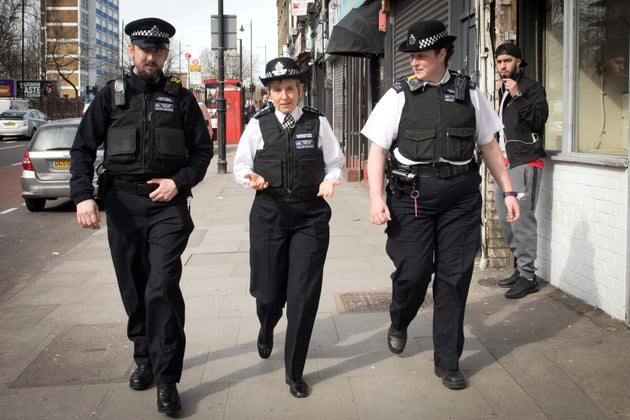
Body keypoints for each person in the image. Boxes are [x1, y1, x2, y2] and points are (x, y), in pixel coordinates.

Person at [361, 20, 520, 390]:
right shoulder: (399, 95)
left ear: (442, 54)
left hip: (461, 198)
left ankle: (448, 360)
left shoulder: (470, 94)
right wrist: (374, 198)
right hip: (411, 198)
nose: (414, 62)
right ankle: (400, 318)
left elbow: (490, 146)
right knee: (413, 273)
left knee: (454, 279)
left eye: (422, 56)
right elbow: (377, 150)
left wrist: (509, 191)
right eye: (412, 56)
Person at [70, 18, 213, 414]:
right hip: (123, 208)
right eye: (144, 49)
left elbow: (203, 152)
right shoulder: (109, 97)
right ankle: (144, 358)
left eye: (158, 50)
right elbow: (82, 149)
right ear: (131, 51)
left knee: (162, 285)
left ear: (166, 53)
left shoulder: (180, 98)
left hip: (167, 206)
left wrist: (178, 183)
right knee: (133, 287)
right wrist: (83, 197)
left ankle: (167, 379)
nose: (151, 57)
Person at [233, 57, 344, 398]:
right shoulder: (258, 125)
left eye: (290, 89)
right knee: (268, 293)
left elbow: (334, 162)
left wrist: (330, 181)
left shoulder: (316, 122)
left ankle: (294, 371)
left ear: (300, 89)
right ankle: (266, 326)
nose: (285, 96)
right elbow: (241, 166)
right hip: (269, 215)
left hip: (310, 217)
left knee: (303, 295)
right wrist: (248, 178)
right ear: (268, 93)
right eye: (277, 90)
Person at [494, 43, 549, 299]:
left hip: (526, 161)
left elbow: (539, 120)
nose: (502, 66)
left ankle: (528, 276)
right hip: (505, 164)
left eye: (506, 61)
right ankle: (520, 268)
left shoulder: (530, 88)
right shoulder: (502, 90)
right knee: (506, 220)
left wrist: (518, 95)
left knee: (522, 220)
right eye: (498, 62)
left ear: (518, 61)